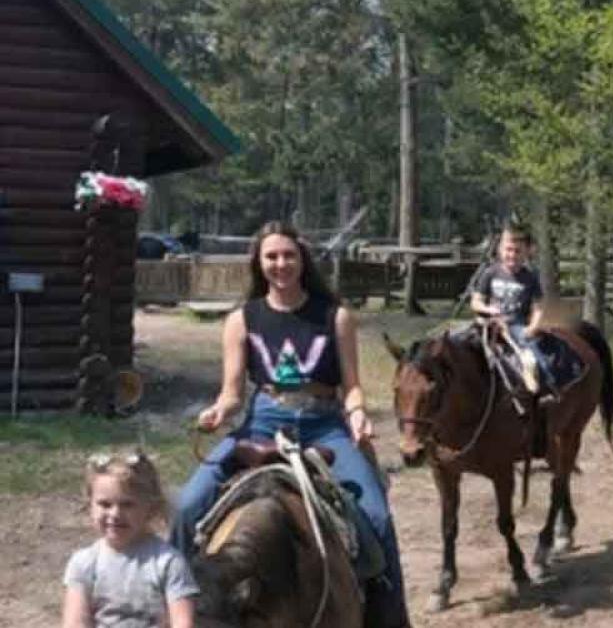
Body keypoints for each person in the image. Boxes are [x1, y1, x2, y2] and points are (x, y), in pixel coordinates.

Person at [169, 221, 409, 627]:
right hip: (262, 421)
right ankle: (172, 602)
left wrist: (357, 413)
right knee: (188, 505)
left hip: (324, 424)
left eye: (288, 255)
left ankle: (390, 617)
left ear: (302, 259)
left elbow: (350, 387)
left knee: (376, 514)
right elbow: (232, 392)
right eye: (272, 256)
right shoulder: (242, 319)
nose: (281, 264)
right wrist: (219, 411)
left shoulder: (336, 317)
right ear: (259, 263)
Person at [63, 451, 198, 628]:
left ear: (150, 507)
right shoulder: (84, 563)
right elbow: (75, 622)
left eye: (127, 504)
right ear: (90, 505)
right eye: (105, 504)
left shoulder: (168, 563)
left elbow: (182, 622)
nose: (115, 514)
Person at [471, 224, 557, 402]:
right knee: (460, 344)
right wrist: (488, 309)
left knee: (532, 356)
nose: (512, 255)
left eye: (518, 251)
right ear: (500, 250)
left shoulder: (530, 277)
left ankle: (547, 388)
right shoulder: (490, 273)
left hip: (516, 324)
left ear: (526, 253)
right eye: (508, 250)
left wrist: (532, 327)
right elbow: (476, 302)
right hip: (490, 322)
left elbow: (539, 307)